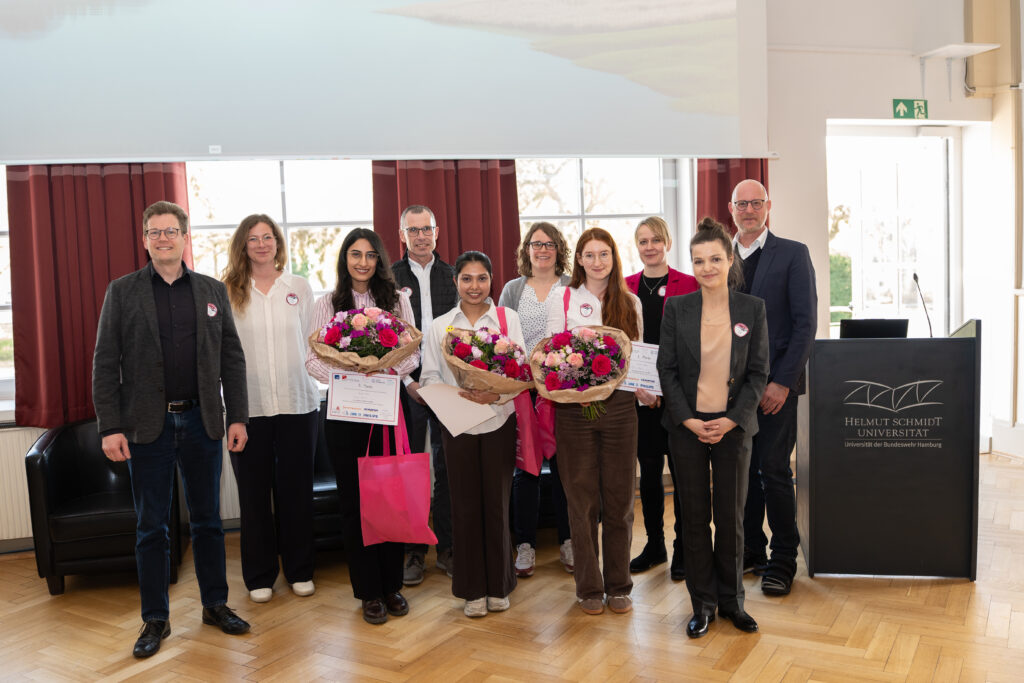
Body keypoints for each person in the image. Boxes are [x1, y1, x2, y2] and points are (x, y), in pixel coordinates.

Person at [93, 200, 251, 659]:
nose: (163, 238)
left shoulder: (211, 290)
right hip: (147, 428)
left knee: (207, 522)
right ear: (144, 240)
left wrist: (236, 416)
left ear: (186, 237)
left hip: (203, 423)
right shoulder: (121, 292)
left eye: (171, 231)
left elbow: (231, 358)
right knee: (151, 527)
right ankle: (155, 618)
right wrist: (111, 426)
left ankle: (215, 604)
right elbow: (105, 364)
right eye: (155, 232)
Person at [657, 217, 769, 639]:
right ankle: (702, 604)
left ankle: (732, 602)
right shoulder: (677, 308)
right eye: (699, 260)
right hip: (685, 426)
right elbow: (666, 369)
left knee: (732, 517)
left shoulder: (752, 309)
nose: (707, 268)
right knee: (695, 518)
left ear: (729, 260)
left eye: (715, 259)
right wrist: (688, 419)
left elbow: (759, 373)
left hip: (733, 426)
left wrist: (732, 418)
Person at [305, 228, 420, 625]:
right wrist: (350, 368)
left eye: (370, 255)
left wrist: (381, 367)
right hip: (345, 411)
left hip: (386, 408)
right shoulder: (327, 304)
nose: (363, 262)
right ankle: (368, 591)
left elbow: (412, 354)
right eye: (355, 254)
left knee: (389, 496)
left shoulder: (397, 301)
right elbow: (312, 359)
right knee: (355, 503)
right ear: (345, 259)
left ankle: (392, 586)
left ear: (380, 260)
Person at [544, 227, 647, 616]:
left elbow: (638, 357)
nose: (597, 261)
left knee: (620, 500)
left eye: (604, 254)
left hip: (620, 408)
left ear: (613, 258)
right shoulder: (563, 297)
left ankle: (619, 585)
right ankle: (589, 588)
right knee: (581, 499)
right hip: (575, 409)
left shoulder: (631, 301)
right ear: (579, 260)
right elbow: (553, 353)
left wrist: (646, 389)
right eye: (590, 255)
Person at [221, 214, 320, 603]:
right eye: (253, 239)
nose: (261, 244)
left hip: (299, 404)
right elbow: (224, 353)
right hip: (250, 409)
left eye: (267, 237)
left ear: (277, 242)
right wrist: (232, 413)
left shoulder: (298, 286)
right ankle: (260, 575)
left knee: (297, 492)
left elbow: (313, 344)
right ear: (243, 246)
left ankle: (299, 570)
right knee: (254, 494)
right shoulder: (228, 290)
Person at [420, 251, 521, 617]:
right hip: (456, 424)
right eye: (467, 278)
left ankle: (499, 584)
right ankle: (471, 589)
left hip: (498, 419)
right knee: (463, 506)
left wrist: (495, 393)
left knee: (497, 504)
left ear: (491, 280)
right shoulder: (439, 326)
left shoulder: (508, 319)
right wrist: (454, 396)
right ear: (456, 282)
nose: (474, 286)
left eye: (481, 278)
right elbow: (429, 376)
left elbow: (521, 371)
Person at [730, 179, 817, 597]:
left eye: (756, 203)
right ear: (732, 209)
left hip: (776, 388)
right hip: (731, 389)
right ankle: (750, 550)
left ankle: (783, 558)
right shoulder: (720, 256)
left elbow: (805, 325)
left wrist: (783, 382)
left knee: (775, 472)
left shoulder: (793, 254)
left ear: (768, 206)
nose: (748, 209)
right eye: (741, 203)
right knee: (742, 472)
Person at [623, 216, 698, 580]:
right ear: (636, 247)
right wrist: (641, 388)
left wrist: (667, 389)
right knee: (649, 474)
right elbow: (621, 343)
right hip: (641, 395)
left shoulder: (689, 283)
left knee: (683, 474)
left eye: (655, 239)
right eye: (642, 241)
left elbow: (697, 342)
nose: (649, 246)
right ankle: (655, 546)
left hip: (681, 394)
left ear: (667, 242)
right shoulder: (624, 288)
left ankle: (685, 549)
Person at [498, 221, 573, 578]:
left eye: (548, 244)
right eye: (535, 244)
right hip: (523, 391)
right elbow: (499, 339)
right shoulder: (512, 290)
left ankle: (569, 541)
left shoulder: (573, 287)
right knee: (525, 470)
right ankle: (524, 544)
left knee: (564, 469)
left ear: (559, 249)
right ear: (526, 250)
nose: (542, 250)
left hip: (561, 392)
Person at [390, 205, 457, 585]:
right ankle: (413, 551)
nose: (420, 236)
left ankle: (447, 548)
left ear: (437, 231)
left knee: (447, 470)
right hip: (407, 388)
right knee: (410, 470)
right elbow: (385, 341)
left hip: (449, 387)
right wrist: (408, 383)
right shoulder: (389, 279)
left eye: (426, 229)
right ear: (402, 235)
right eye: (412, 230)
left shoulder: (454, 275)